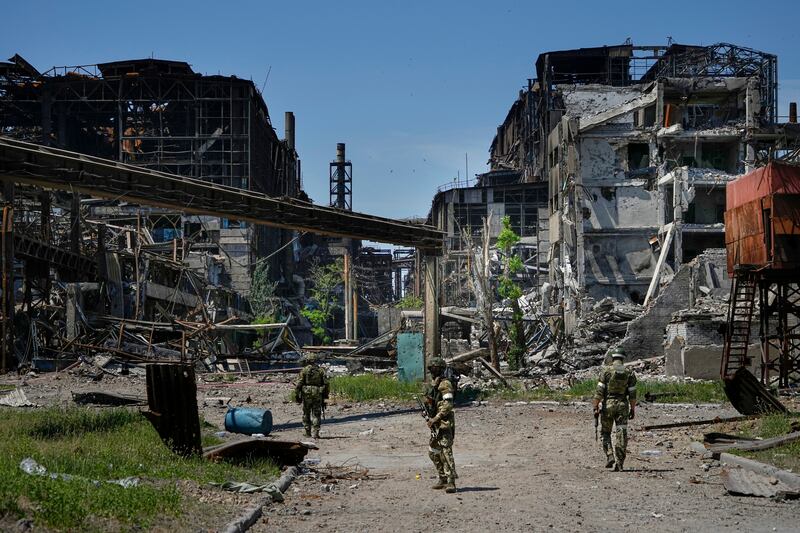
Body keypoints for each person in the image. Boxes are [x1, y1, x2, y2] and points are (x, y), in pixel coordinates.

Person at [592, 347, 637, 471]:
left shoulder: (606, 371)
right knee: (621, 433)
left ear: (612, 358)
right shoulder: (629, 373)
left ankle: (610, 455)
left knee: (605, 433)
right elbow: (632, 395)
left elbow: (599, 392)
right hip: (623, 405)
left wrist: (595, 406)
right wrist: (632, 409)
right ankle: (620, 463)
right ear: (623, 359)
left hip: (608, 406)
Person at [424, 357, 457, 493]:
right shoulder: (433, 384)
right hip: (434, 423)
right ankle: (442, 478)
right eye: (432, 368)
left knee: (446, 451)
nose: (433, 370)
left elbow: (448, 405)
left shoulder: (445, 384)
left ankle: (451, 482)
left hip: (444, 423)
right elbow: (429, 402)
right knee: (433, 451)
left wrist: (436, 418)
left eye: (436, 368)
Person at [295, 353, 329, 439]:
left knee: (306, 413)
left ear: (307, 360)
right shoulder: (321, 370)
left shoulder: (304, 370)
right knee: (316, 414)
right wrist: (325, 395)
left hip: (306, 394)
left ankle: (307, 432)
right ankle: (316, 433)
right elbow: (326, 384)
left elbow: (299, 384)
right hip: (318, 393)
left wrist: (297, 395)